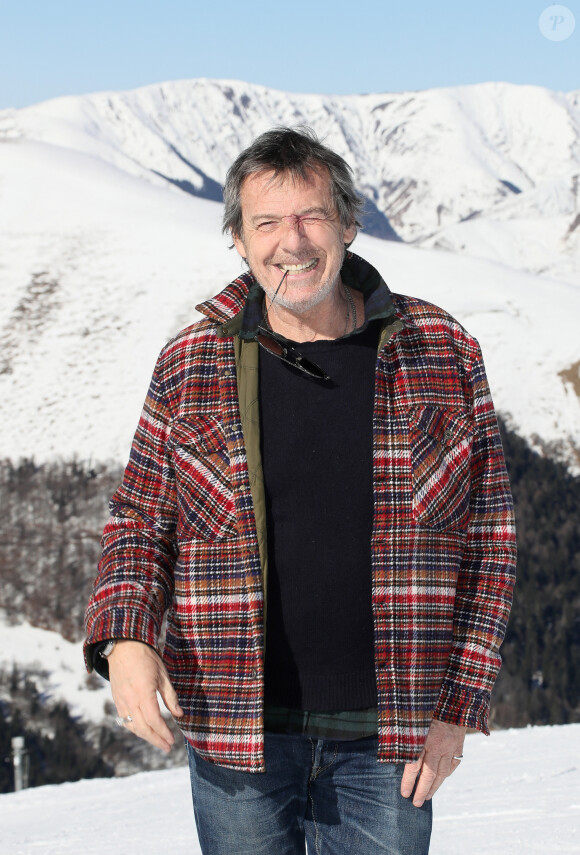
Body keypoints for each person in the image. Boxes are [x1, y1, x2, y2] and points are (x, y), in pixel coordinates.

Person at [84, 127, 516, 855]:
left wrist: (455, 707)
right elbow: (139, 519)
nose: (293, 241)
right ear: (237, 238)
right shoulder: (192, 361)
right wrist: (124, 636)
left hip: (391, 738)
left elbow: (490, 543)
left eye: (312, 215)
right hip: (235, 734)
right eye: (267, 222)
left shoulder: (440, 349)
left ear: (349, 222)